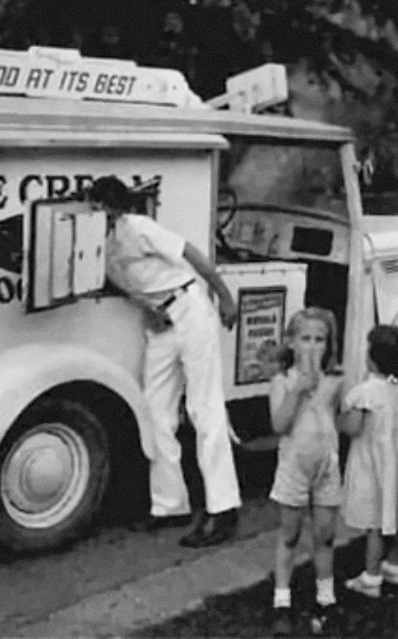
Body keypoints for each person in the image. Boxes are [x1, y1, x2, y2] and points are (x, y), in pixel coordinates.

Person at [86, 175, 241, 548]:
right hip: (160, 322)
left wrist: (225, 297)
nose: (92, 213)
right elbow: (131, 284)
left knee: (204, 409)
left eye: (97, 207)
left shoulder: (137, 227)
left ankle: (223, 510)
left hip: (189, 309)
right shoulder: (95, 246)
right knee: (155, 412)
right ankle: (171, 505)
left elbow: (191, 254)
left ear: (112, 209)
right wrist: (147, 307)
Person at [268, 308, 343, 636]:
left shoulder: (335, 380)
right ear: (292, 342)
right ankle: (281, 599)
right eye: (306, 339)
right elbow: (279, 425)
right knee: (290, 533)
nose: (313, 346)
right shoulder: (281, 381)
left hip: (326, 465)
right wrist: (298, 390)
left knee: (325, 534)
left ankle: (325, 597)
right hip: (294, 466)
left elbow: (338, 420)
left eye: (320, 339)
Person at [340, 325, 398, 600]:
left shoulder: (365, 392)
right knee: (397, 514)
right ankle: (393, 565)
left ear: (375, 359)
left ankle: (370, 577)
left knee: (375, 522)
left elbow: (353, 429)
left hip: (371, 461)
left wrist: (341, 415)